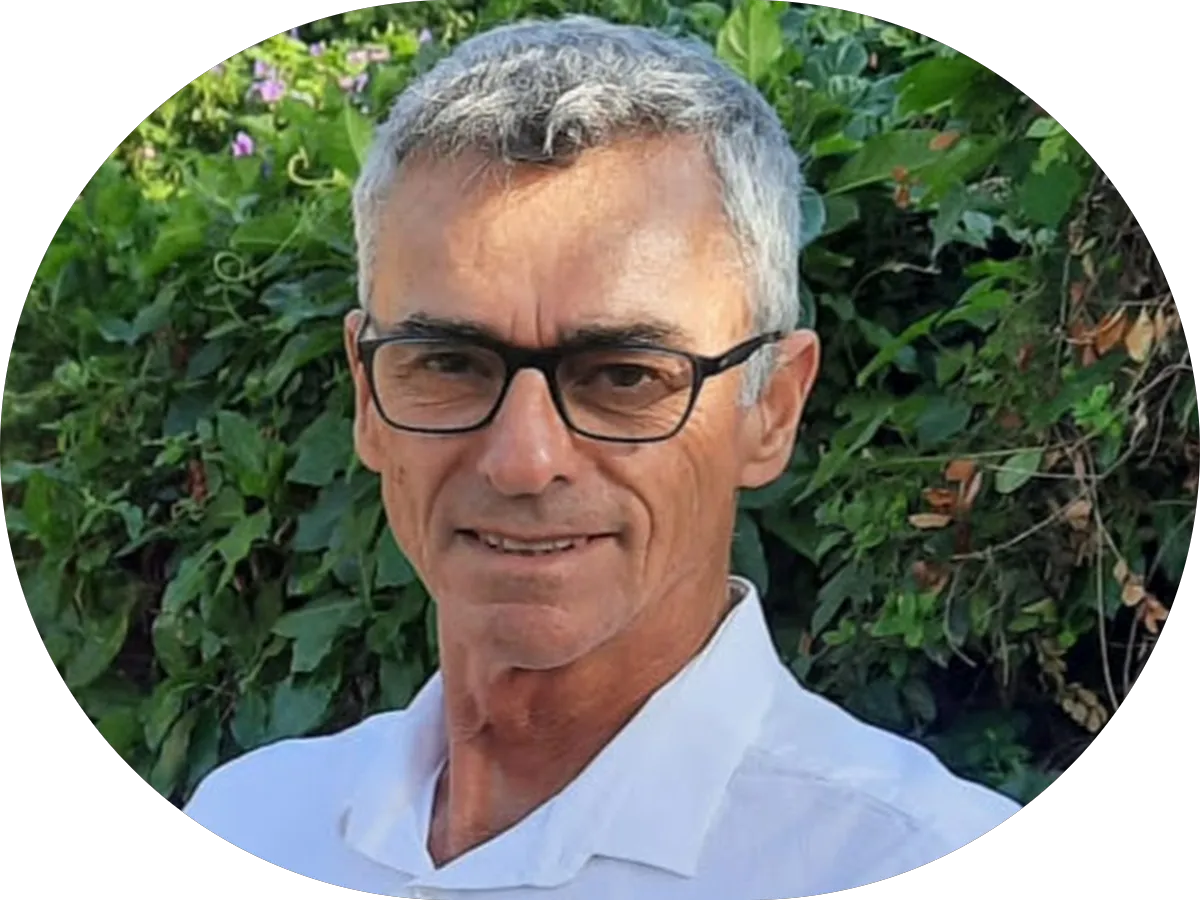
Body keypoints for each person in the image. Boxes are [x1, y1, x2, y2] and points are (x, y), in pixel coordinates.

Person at [184, 14, 1022, 897]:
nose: (523, 460)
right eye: (450, 364)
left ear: (772, 408)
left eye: (625, 375)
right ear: (367, 396)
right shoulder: (255, 819)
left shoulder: (895, 852)